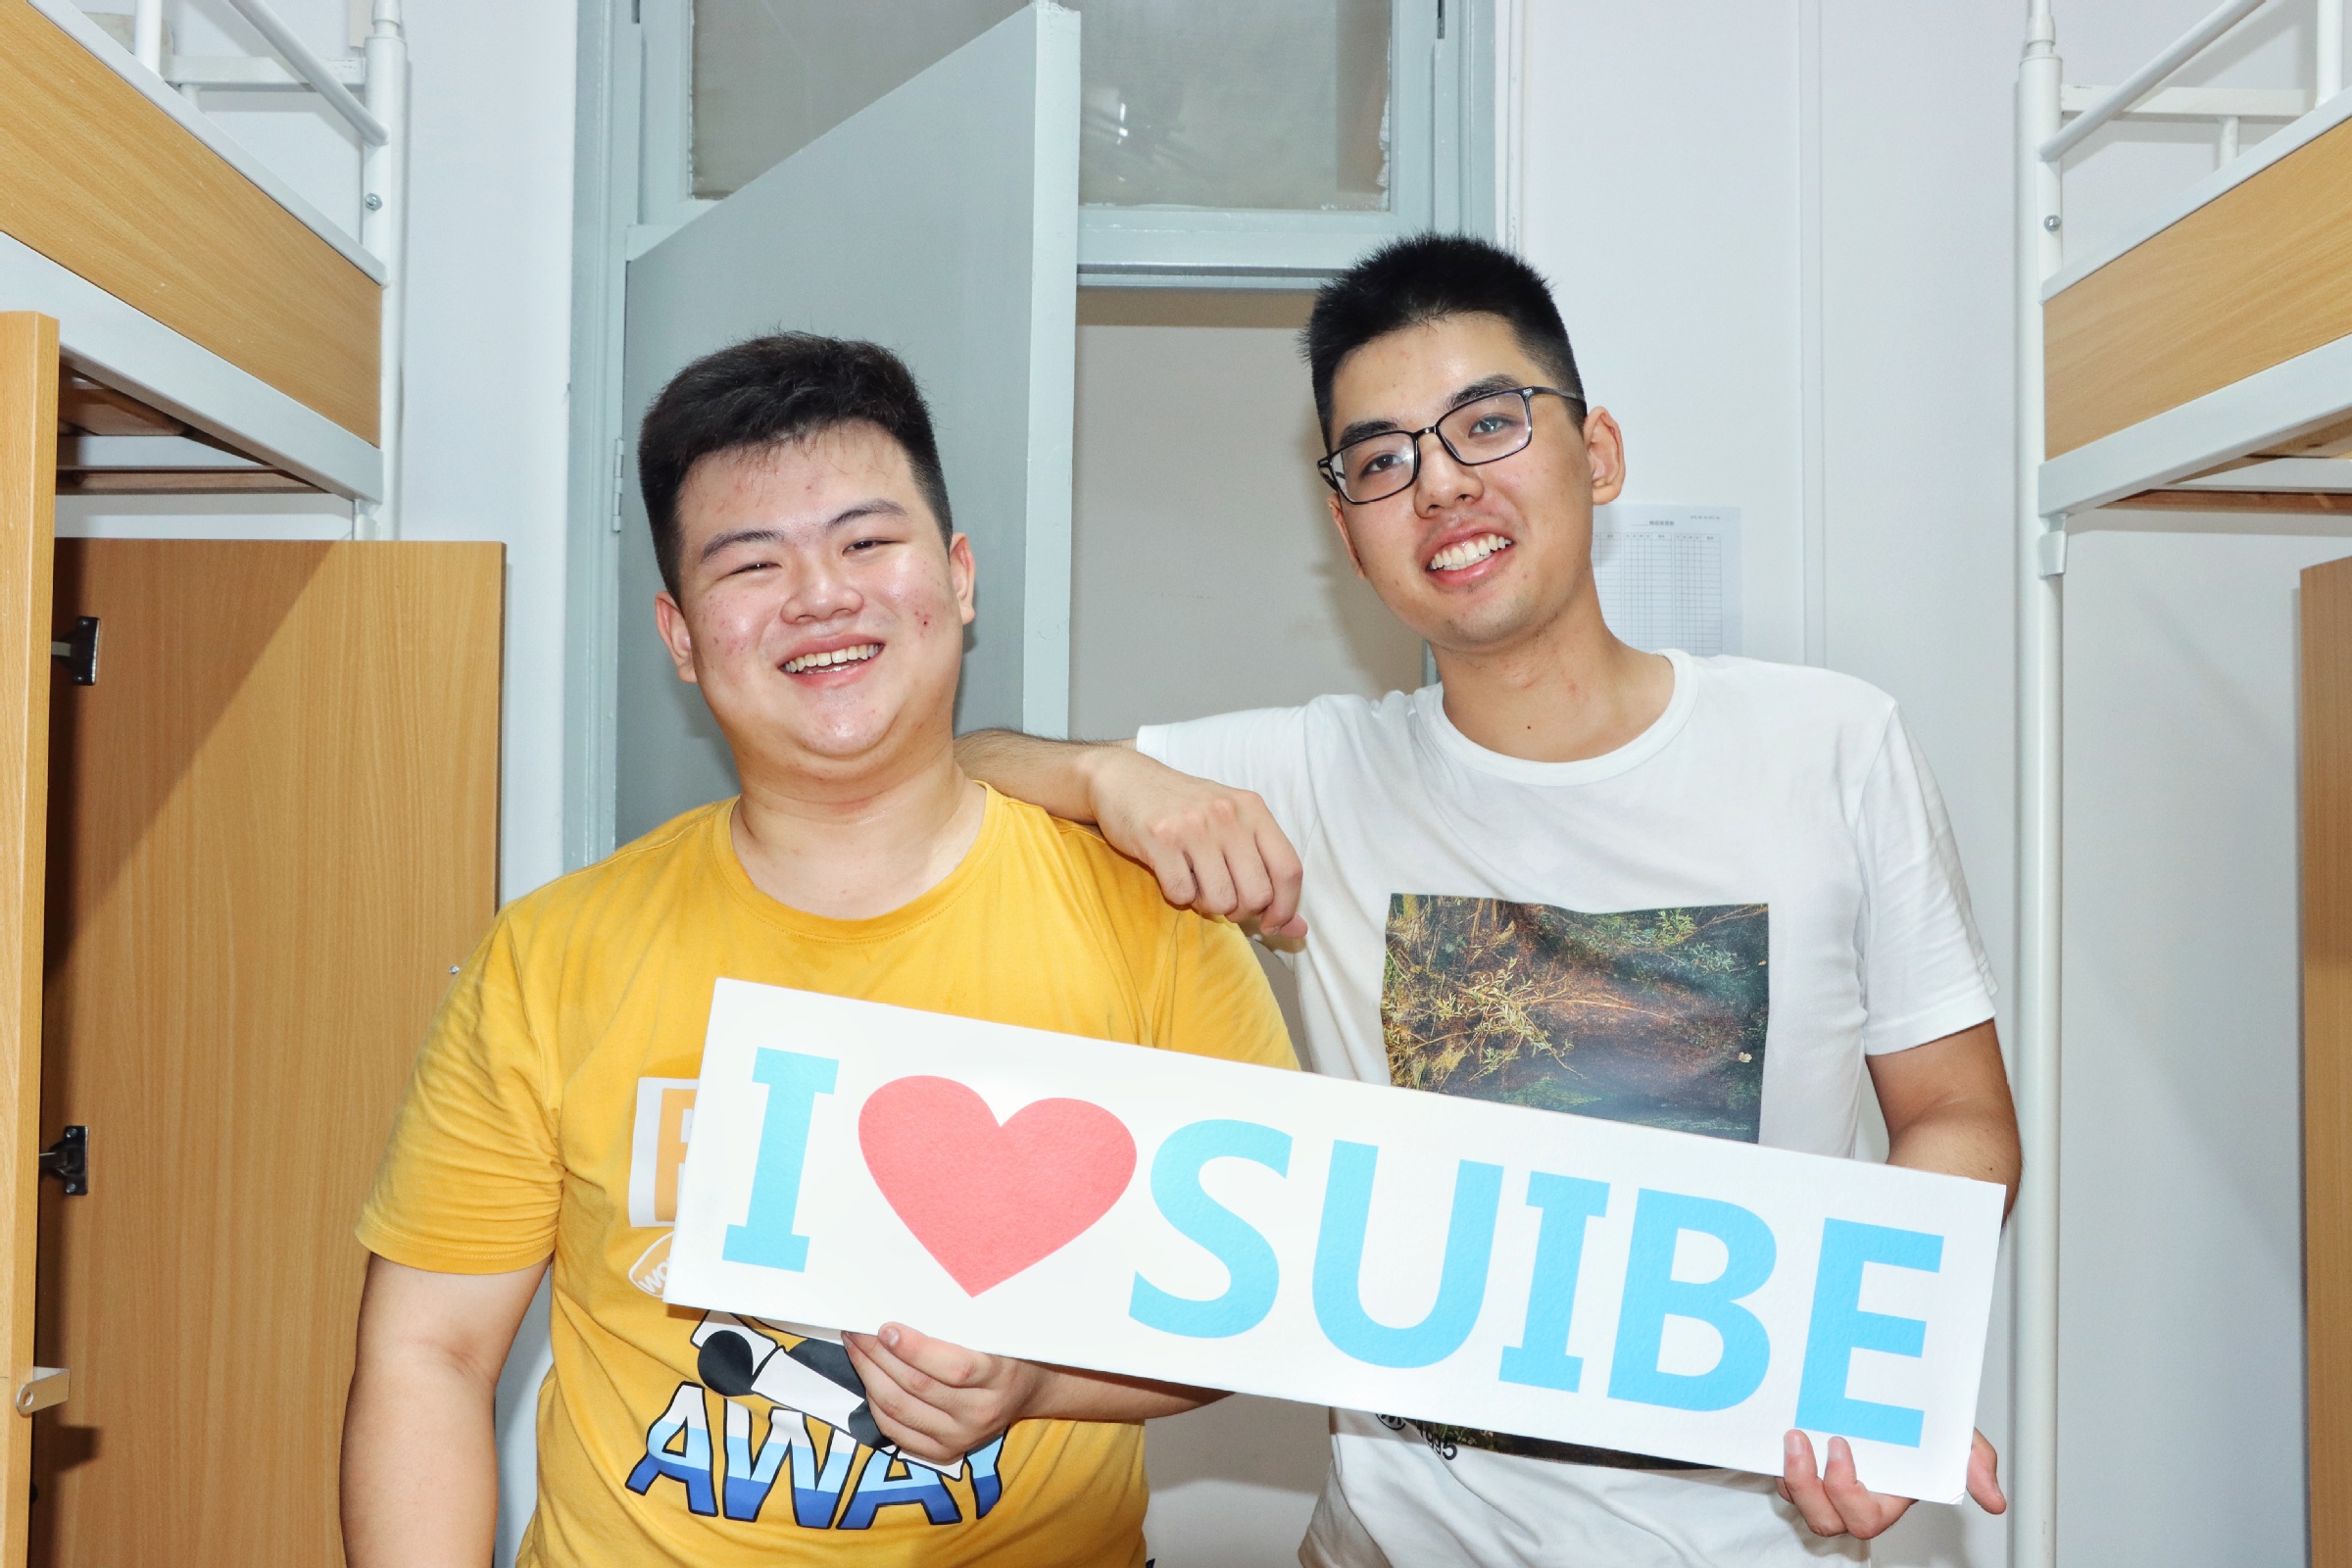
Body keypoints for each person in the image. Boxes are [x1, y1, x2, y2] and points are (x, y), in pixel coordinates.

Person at [959, 234, 2021, 1566]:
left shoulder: (1834, 744)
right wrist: (1107, 773)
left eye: (1489, 422)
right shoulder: (1313, 773)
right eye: (1381, 460)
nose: (1443, 483)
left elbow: (1959, 1112)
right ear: (1348, 533)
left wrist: (1877, 1354)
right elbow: (939, 769)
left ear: (1598, 452)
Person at [339, 334, 1296, 1567]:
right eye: (752, 563)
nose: (820, 596)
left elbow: (1249, 1313)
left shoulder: (1153, 922)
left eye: (865, 541)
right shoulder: (552, 953)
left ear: (959, 577)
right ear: (682, 636)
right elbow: (429, 1348)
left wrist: (1038, 1383)